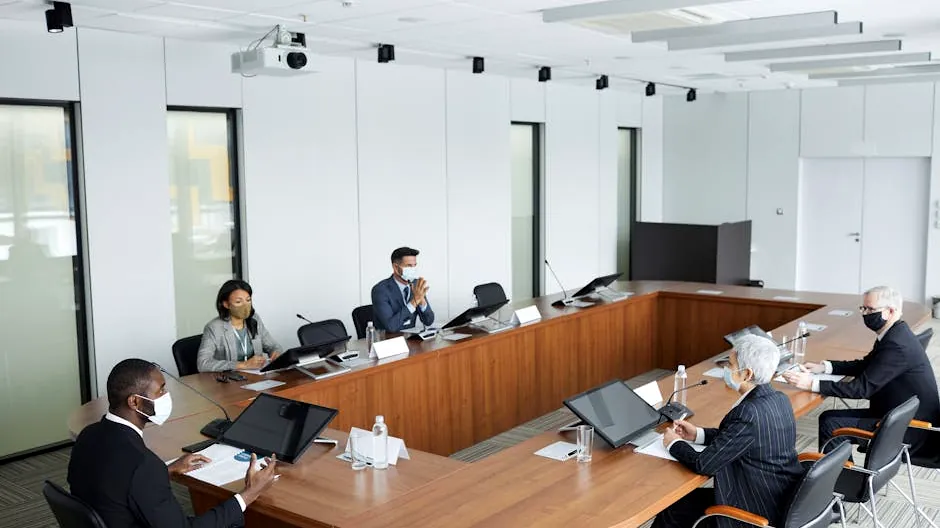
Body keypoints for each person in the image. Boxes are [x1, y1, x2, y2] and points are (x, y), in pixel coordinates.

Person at [68, 358, 278, 527]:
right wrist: (249, 494)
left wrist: (165, 470)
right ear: (135, 402)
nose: (166, 396)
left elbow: (117, 481)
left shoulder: (88, 435)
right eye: (160, 390)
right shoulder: (142, 464)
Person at [653, 335, 803, 528]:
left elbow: (704, 464)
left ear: (747, 374)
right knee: (683, 503)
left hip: (755, 508)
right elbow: (741, 439)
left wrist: (674, 442)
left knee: (672, 509)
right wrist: (698, 434)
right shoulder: (778, 398)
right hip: (778, 493)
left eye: (730, 364)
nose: (725, 369)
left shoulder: (748, 413)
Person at [783, 286, 940, 458]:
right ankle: (842, 474)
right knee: (829, 418)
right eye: (863, 308)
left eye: (870, 309)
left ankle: (842, 480)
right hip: (897, 414)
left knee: (831, 424)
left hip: (912, 429)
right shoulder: (895, 333)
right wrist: (826, 367)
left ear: (890, 311)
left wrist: (811, 383)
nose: (865, 314)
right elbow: (866, 364)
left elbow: (860, 389)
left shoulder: (896, 345)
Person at [197, 279, 282, 373]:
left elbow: (273, 346)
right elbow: (203, 364)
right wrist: (242, 365)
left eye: (248, 300)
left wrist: (276, 353)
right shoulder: (214, 328)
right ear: (226, 304)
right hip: (228, 381)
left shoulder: (254, 319)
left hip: (255, 377)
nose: (245, 306)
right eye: (238, 302)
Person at [371, 247, 435, 332]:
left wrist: (422, 301)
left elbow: (428, 321)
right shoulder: (380, 290)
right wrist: (414, 302)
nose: (413, 269)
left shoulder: (416, 285)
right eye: (409, 266)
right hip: (387, 340)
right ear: (396, 268)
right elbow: (391, 326)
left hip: (411, 340)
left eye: (414, 265)